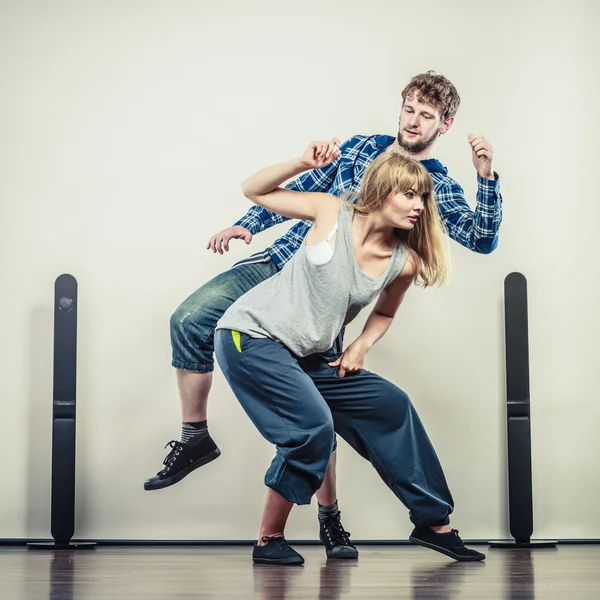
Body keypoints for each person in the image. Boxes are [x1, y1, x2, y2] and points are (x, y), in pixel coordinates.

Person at [144, 71, 502, 560]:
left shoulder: (431, 191)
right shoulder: (357, 153)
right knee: (192, 320)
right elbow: (298, 191)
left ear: (446, 123)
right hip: (286, 268)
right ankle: (196, 439)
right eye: (410, 109)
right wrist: (248, 226)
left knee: (339, 413)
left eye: (427, 115)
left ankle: (356, 521)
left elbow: (480, 238)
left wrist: (486, 178)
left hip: (327, 308)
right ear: (401, 109)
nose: (415, 121)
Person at [214, 141, 485, 565]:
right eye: (409, 194)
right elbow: (254, 189)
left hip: (306, 354)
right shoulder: (330, 211)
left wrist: (360, 345)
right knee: (312, 426)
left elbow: (385, 313)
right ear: (381, 190)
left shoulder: (403, 262)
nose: (418, 205)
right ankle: (269, 539)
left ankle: (434, 524)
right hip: (250, 337)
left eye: (423, 197)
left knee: (391, 405)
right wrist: (303, 162)